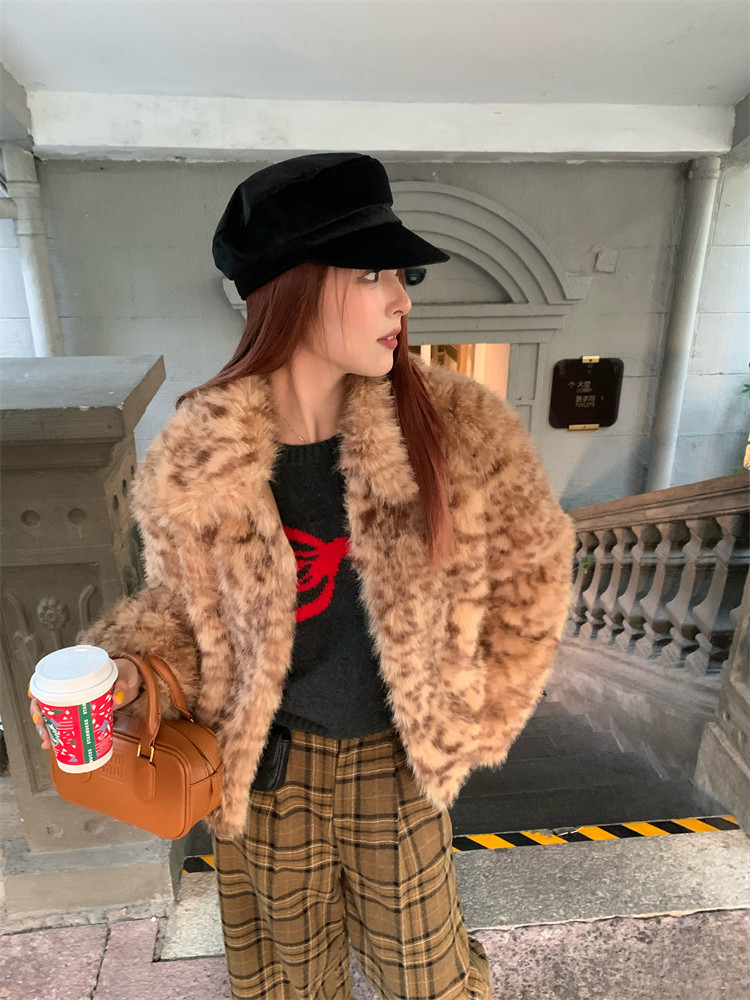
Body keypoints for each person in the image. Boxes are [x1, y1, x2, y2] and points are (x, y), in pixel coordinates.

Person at [29, 151, 577, 1000]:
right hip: (266, 772)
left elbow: (533, 571)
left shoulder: (457, 424)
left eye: (401, 274)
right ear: (291, 288)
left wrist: (477, 713)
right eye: (371, 273)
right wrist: (135, 668)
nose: (402, 299)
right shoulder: (200, 451)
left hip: (396, 765)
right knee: (289, 982)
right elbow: (181, 607)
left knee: (431, 980)